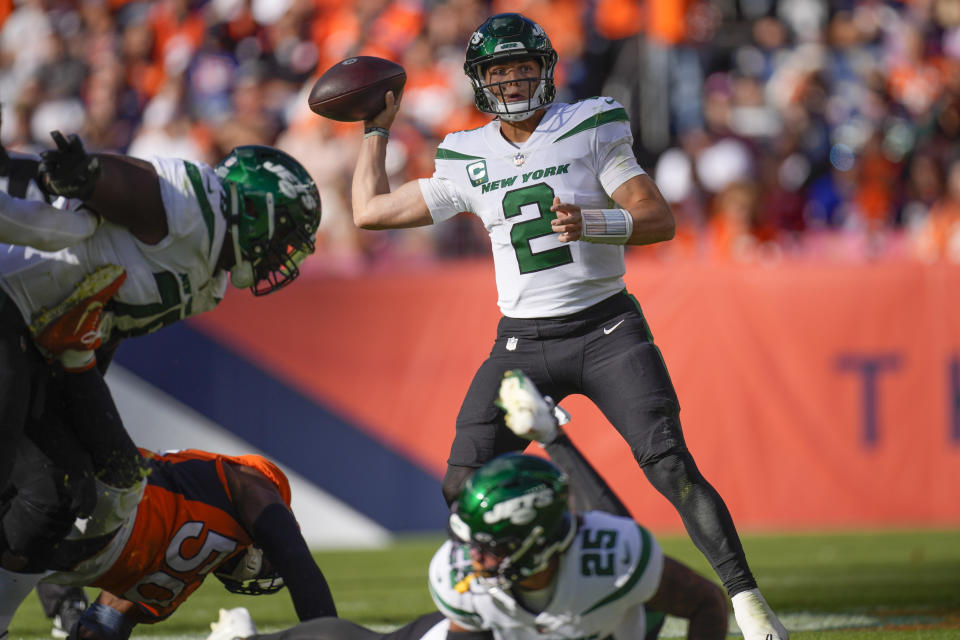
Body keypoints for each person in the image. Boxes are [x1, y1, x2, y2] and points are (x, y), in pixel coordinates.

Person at [349, 13, 788, 640]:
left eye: (523, 65)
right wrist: (375, 130)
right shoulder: (466, 153)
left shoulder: (588, 124)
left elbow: (657, 219)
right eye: (498, 70)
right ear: (479, 80)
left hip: (607, 329)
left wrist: (593, 222)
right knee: (461, 485)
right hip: (521, 343)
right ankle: (523, 600)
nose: (512, 79)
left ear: (546, 68)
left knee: (671, 467)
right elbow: (369, 211)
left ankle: (747, 603)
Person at [0, 131, 321, 580]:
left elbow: (100, 331)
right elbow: (136, 185)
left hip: (39, 340)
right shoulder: (196, 206)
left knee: (58, 492)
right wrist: (89, 176)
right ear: (254, 211)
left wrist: (84, 422)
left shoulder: (208, 285)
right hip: (11, 289)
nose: (284, 253)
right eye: (285, 233)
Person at [205, 369, 729, 640]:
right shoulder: (465, 576)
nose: (473, 558)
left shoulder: (611, 559)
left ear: (540, 542)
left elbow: (707, 603)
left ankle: (552, 436)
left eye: (491, 546)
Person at [0, 444, 338, 640]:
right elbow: (296, 559)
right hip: (105, 499)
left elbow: (102, 626)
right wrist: (330, 633)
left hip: (74, 536)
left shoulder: (183, 576)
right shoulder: (247, 481)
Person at [0, 134, 92, 639]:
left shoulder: (34, 169)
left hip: (33, 340)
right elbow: (43, 229)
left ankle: (63, 599)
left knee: (57, 478)